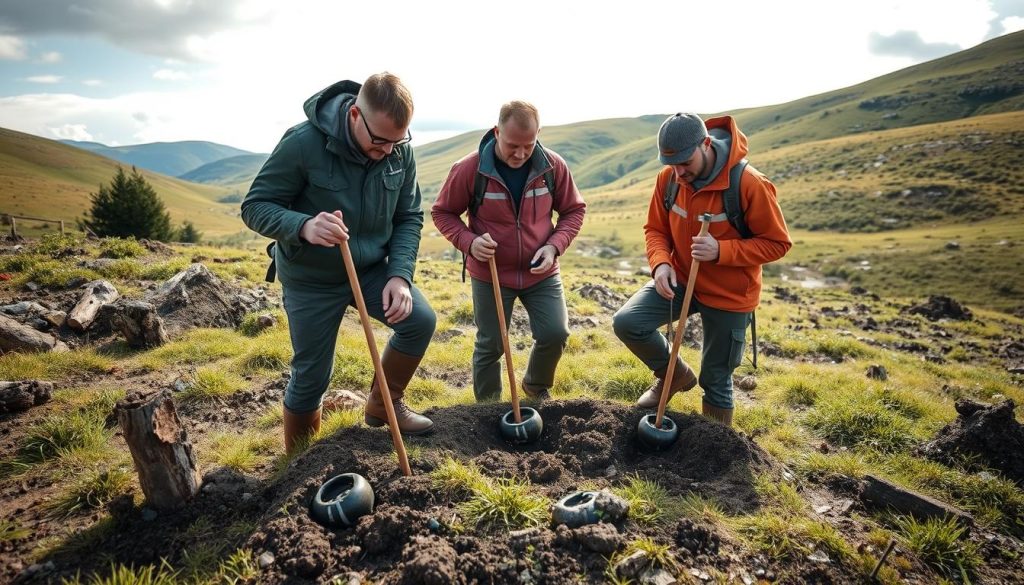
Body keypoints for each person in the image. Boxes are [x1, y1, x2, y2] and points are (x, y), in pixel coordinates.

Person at [241, 72, 436, 451]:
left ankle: (384, 405)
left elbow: (409, 217)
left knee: (419, 320)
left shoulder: (397, 151)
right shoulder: (303, 143)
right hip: (311, 276)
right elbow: (255, 207)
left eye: (398, 141)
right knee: (312, 375)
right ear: (353, 116)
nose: (387, 150)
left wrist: (399, 276)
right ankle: (298, 464)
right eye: (379, 140)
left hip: (373, 269)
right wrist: (303, 225)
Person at [612, 113, 791, 426]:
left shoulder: (749, 184)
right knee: (628, 322)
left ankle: (719, 456)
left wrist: (721, 250)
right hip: (680, 279)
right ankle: (675, 375)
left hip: (730, 294)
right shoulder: (668, 179)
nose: (679, 172)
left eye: (685, 162)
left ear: (705, 144)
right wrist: (661, 264)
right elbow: (655, 229)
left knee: (716, 380)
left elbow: (777, 243)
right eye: (672, 164)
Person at [431, 101, 586, 402]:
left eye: (528, 146)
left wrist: (554, 247)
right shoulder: (469, 169)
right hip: (490, 274)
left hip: (541, 272)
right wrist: (469, 242)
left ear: (538, 134)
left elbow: (574, 211)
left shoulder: (553, 167)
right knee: (491, 344)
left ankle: (535, 385)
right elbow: (442, 213)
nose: (520, 154)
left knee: (555, 334)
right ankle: (487, 410)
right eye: (512, 145)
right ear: (496, 131)